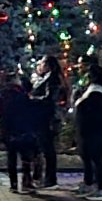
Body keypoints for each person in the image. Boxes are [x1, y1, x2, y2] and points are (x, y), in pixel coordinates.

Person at [74, 55, 102, 201]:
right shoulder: (95, 90)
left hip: (96, 130)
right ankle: (89, 183)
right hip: (92, 130)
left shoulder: (96, 92)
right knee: (88, 157)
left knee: (97, 158)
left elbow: (92, 111)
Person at [32, 54, 68, 188]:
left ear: (47, 65)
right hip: (44, 117)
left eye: (41, 63)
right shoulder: (48, 78)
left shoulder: (52, 79)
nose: (39, 66)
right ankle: (44, 177)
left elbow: (50, 99)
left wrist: (33, 100)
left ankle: (50, 179)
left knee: (47, 148)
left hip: (47, 118)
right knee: (44, 148)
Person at [0, 80, 39, 193]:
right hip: (23, 131)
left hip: (8, 131)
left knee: (12, 158)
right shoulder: (24, 97)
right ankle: (26, 182)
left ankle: (13, 184)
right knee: (25, 157)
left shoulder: (2, 98)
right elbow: (31, 113)